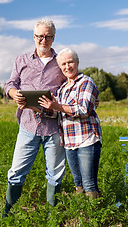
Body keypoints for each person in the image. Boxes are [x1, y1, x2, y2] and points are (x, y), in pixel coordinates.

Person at [3, 19, 66, 216]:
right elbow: (10, 84)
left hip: (54, 127)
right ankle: (8, 212)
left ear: (53, 38)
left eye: (48, 36)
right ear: (34, 37)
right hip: (28, 126)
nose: (43, 40)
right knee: (16, 173)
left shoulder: (61, 61)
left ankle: (51, 216)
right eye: (40, 36)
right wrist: (15, 94)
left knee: (55, 175)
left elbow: (71, 86)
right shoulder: (21, 60)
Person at [38, 48, 102, 199]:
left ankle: (95, 215)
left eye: (70, 62)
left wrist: (57, 106)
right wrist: (35, 106)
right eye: (63, 64)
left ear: (77, 63)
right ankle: (82, 214)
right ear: (60, 68)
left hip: (87, 139)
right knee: (78, 183)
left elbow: (83, 109)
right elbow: (56, 113)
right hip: (69, 141)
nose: (67, 67)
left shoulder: (86, 82)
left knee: (89, 184)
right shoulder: (62, 89)